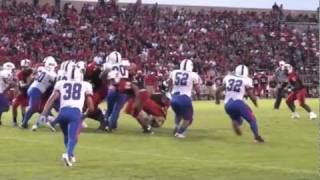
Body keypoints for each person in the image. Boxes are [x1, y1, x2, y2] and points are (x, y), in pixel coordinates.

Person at [39, 65, 94, 167]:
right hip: (75, 113)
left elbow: (51, 100)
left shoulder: (61, 83)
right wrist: (85, 115)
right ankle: (67, 155)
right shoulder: (85, 85)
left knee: (66, 136)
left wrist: (43, 113)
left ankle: (71, 155)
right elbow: (91, 107)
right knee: (73, 137)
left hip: (62, 113)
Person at [215, 65, 264, 143]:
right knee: (252, 120)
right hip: (238, 103)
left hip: (227, 105)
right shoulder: (247, 80)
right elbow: (251, 96)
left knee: (238, 120)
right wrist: (255, 103)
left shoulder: (228, 77)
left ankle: (235, 123)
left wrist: (217, 100)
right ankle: (257, 137)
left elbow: (217, 91)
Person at [21, 56, 57, 128]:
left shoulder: (41, 68)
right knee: (34, 107)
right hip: (36, 90)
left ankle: (26, 121)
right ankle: (24, 122)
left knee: (36, 108)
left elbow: (33, 76)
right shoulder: (53, 74)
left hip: (33, 88)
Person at [168, 59, 200, 138]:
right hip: (184, 98)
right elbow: (197, 89)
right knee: (188, 119)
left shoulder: (174, 72)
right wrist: (197, 94)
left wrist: (170, 91)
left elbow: (169, 82)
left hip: (173, 98)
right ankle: (180, 133)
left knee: (178, 114)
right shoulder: (193, 75)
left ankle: (176, 125)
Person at [103, 51, 129, 131]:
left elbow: (104, 76)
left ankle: (107, 123)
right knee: (116, 109)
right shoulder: (125, 64)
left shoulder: (108, 65)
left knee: (110, 108)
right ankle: (110, 125)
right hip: (123, 88)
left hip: (112, 87)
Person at [12, 59, 33, 126]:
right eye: (23, 67)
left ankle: (24, 121)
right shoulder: (20, 74)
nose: (24, 68)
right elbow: (22, 85)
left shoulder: (33, 72)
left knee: (23, 106)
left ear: (29, 66)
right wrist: (29, 82)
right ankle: (15, 121)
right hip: (22, 92)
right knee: (14, 106)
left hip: (31, 92)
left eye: (26, 67)